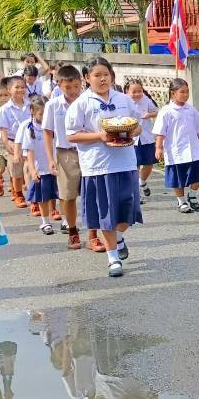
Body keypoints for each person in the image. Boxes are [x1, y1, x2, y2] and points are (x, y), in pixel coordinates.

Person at [65, 57, 142, 277]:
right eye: (97, 75)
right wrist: (100, 135)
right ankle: (113, 258)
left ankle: (118, 236)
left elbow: (137, 125)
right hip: (98, 165)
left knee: (127, 210)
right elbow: (71, 135)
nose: (102, 79)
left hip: (125, 161)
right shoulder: (81, 103)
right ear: (87, 78)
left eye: (106, 74)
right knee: (106, 212)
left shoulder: (124, 99)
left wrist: (130, 132)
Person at [43, 65, 86, 251]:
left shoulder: (86, 100)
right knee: (68, 195)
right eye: (68, 87)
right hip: (65, 152)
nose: (73, 90)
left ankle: (93, 233)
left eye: (76, 86)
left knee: (91, 193)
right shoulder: (53, 105)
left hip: (87, 149)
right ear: (59, 85)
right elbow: (48, 132)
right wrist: (50, 158)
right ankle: (72, 230)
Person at [152, 77, 199, 213]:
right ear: (173, 93)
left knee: (197, 176)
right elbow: (160, 132)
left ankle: (192, 195)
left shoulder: (192, 110)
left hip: (193, 149)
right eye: (182, 92)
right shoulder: (166, 111)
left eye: (187, 92)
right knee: (178, 178)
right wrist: (158, 148)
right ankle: (181, 201)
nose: (186, 95)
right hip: (175, 150)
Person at [22, 95, 59, 234]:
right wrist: (32, 170)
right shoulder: (29, 128)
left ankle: (66, 221)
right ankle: (45, 222)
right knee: (43, 197)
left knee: (60, 194)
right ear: (32, 111)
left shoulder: (53, 125)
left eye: (46, 113)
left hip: (55, 166)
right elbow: (29, 151)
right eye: (41, 113)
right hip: (41, 168)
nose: (44, 116)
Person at [0, 76, 29, 208]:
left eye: (23, 87)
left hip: (29, 143)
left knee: (29, 169)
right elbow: (3, 133)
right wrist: (9, 146)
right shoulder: (4, 109)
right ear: (9, 90)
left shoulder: (30, 105)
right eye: (17, 87)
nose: (20, 90)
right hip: (12, 142)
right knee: (16, 168)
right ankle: (18, 194)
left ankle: (34, 198)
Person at [125, 78, 160, 198]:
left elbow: (157, 112)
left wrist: (149, 114)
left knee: (149, 164)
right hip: (132, 140)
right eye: (133, 92)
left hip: (147, 137)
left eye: (139, 91)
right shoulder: (124, 102)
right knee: (135, 166)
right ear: (127, 92)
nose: (137, 94)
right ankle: (136, 193)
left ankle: (142, 181)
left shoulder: (146, 100)